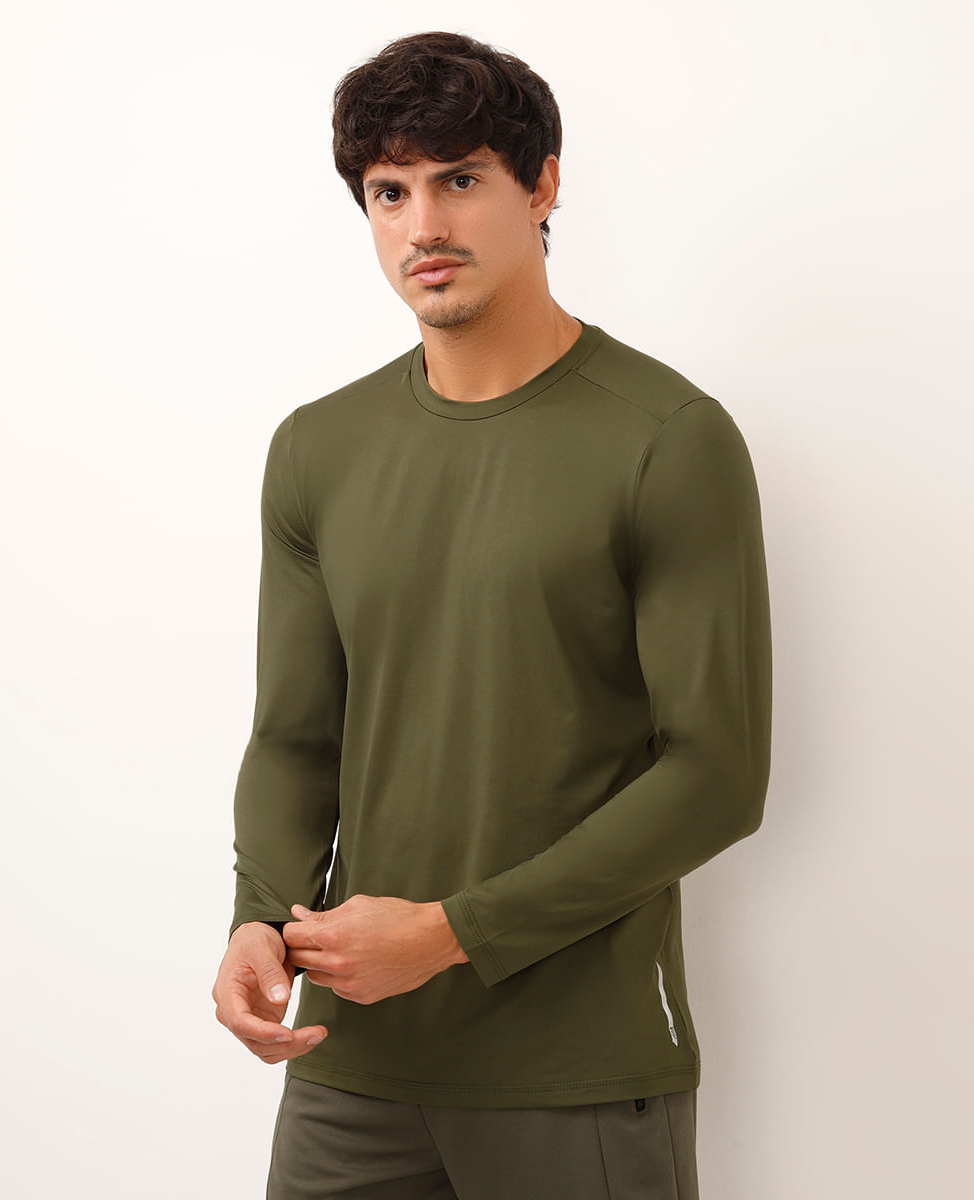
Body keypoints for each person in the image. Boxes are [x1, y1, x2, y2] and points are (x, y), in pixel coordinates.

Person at [211, 30, 772, 1200]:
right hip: (350, 1062)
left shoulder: (667, 440)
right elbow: (297, 738)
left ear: (541, 184)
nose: (424, 225)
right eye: (390, 192)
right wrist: (258, 918)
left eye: (459, 179)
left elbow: (715, 774)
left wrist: (449, 933)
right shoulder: (317, 449)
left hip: (575, 1067)